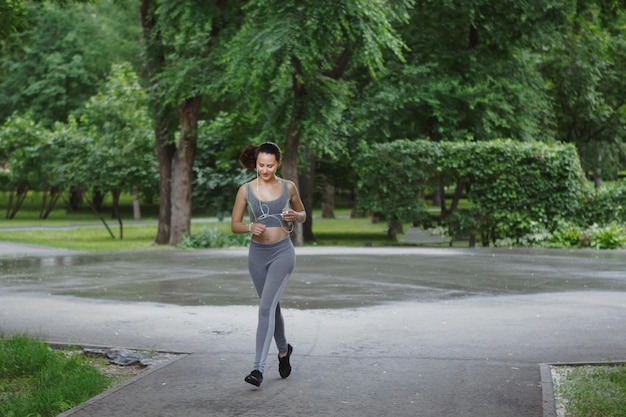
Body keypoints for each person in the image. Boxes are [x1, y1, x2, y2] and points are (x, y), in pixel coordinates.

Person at [231, 141, 306, 387]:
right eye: (261, 165)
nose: (265, 170)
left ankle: (258, 369)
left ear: (278, 163)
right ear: (256, 163)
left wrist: (295, 216)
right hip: (257, 256)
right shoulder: (245, 190)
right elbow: (235, 225)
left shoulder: (288, 187)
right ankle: (284, 350)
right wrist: (250, 226)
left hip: (282, 253)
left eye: (270, 166)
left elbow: (303, 214)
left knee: (265, 308)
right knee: (271, 307)